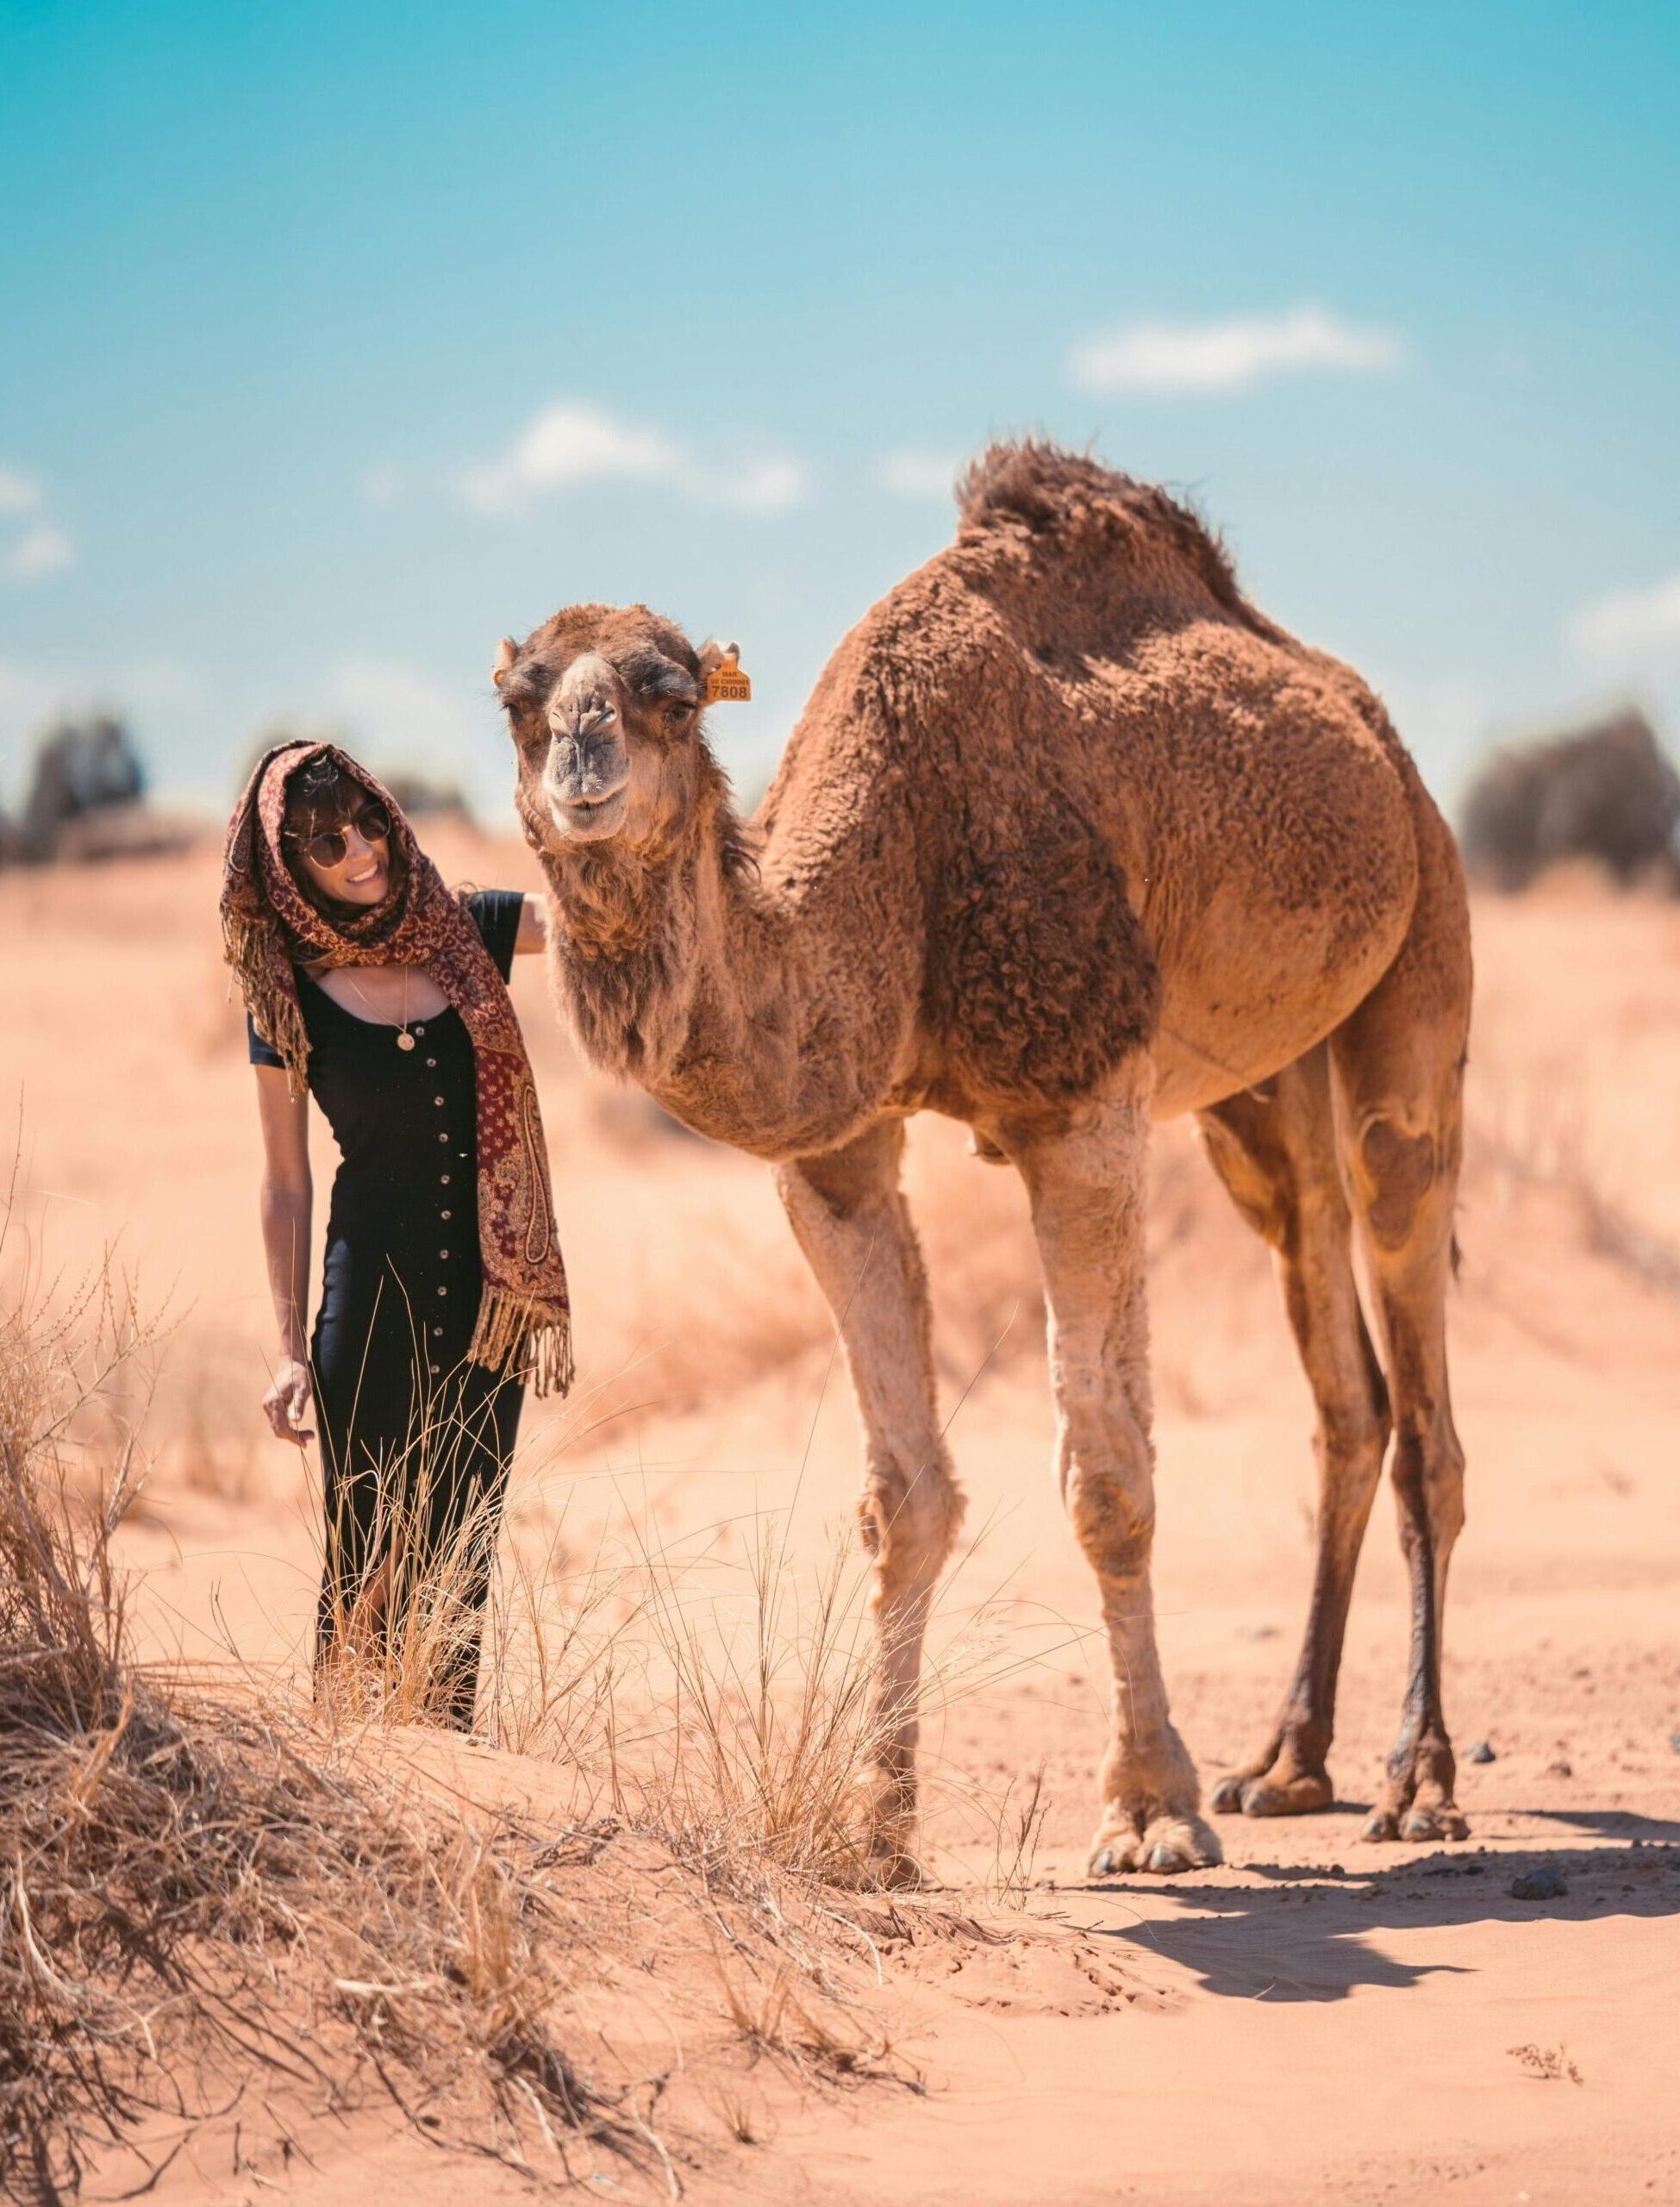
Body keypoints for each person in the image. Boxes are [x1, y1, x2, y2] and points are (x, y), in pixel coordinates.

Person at [222, 741, 571, 1729]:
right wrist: (288, 1350)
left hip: (487, 1310)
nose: (360, 851)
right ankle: (354, 1787)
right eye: (327, 842)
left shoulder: (471, 930)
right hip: (366, 1308)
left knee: (459, 1560)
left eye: (368, 821)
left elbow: (597, 919)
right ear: (288, 862)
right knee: (364, 1557)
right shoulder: (281, 988)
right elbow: (285, 1180)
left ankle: (448, 1783)